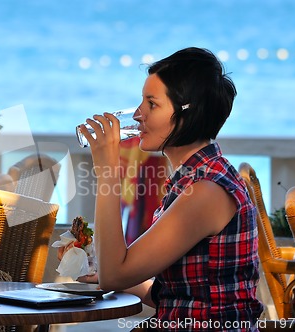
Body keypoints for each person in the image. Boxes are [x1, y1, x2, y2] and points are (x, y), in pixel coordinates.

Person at [77, 47, 264, 331]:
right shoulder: (194, 178)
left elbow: (115, 276)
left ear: (187, 113)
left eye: (152, 104)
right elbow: (179, 295)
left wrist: (107, 172)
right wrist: (106, 271)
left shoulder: (207, 191)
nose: (138, 115)